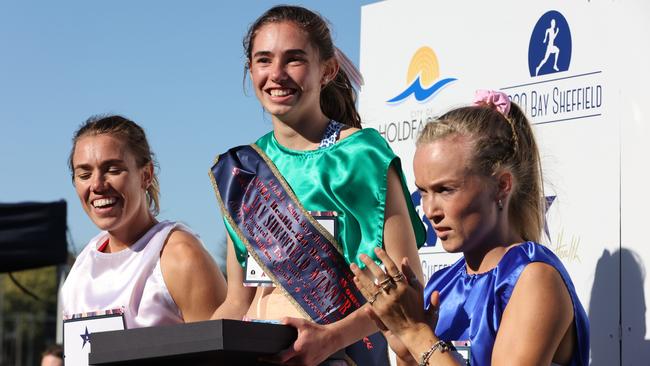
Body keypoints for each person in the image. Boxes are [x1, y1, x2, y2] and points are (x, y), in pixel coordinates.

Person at [210, 5, 425, 365]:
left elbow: (409, 286)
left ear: (327, 70)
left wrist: (330, 339)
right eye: (264, 60)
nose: (276, 74)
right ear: (251, 70)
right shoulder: (242, 172)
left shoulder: (360, 156)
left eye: (293, 59)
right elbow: (238, 300)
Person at [351, 90, 589, 365]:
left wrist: (415, 333)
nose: (429, 211)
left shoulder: (534, 278)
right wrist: (406, 354)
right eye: (424, 192)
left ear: (502, 185)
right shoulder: (442, 285)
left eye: (445, 190)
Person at [61, 115, 226, 329]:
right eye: (84, 174)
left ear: (146, 175)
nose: (97, 185)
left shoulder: (180, 256)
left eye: (112, 170)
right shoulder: (82, 266)